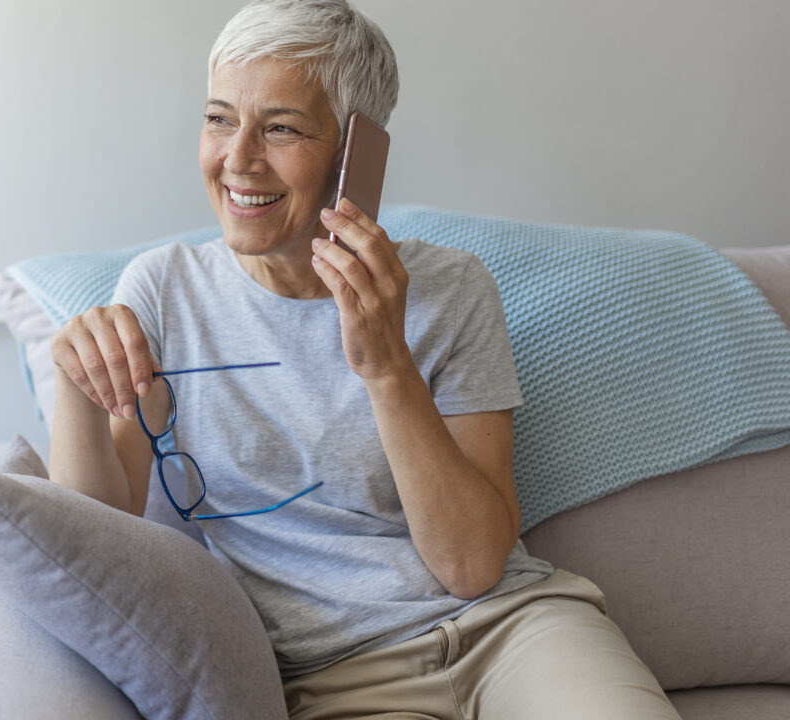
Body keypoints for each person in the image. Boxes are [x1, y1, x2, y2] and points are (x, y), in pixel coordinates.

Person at [48, 1, 682, 717]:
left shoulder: (453, 290)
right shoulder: (164, 292)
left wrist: (386, 366)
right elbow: (92, 549)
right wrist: (72, 386)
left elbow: (471, 565)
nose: (238, 158)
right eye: (220, 118)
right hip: (332, 676)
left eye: (281, 127)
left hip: (513, 632)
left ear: (356, 155)